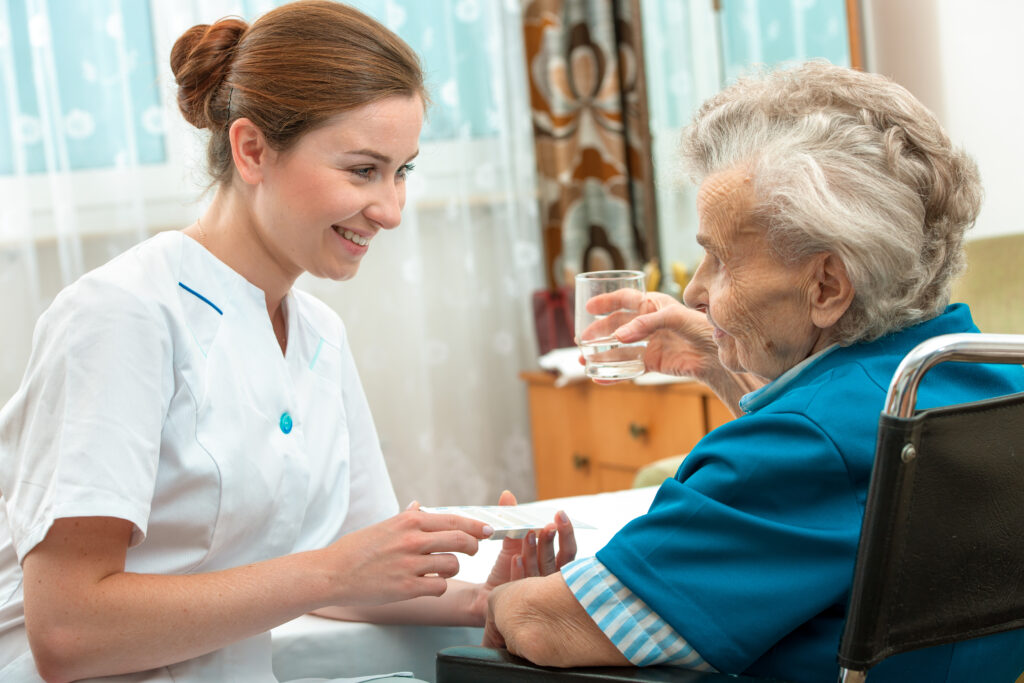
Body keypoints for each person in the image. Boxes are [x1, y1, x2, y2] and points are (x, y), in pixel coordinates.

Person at [0, 2, 575, 681]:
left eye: (403, 171)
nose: (390, 210)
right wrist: (335, 570)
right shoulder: (123, 316)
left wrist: (491, 596)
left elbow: (351, 573)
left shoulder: (318, 335)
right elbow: (69, 631)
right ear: (251, 150)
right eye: (363, 170)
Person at [483, 61, 1024, 682]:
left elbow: (552, 626)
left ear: (826, 285)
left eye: (718, 258)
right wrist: (720, 361)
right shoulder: (986, 376)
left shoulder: (799, 450)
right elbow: (834, 477)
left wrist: (508, 595)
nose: (693, 292)